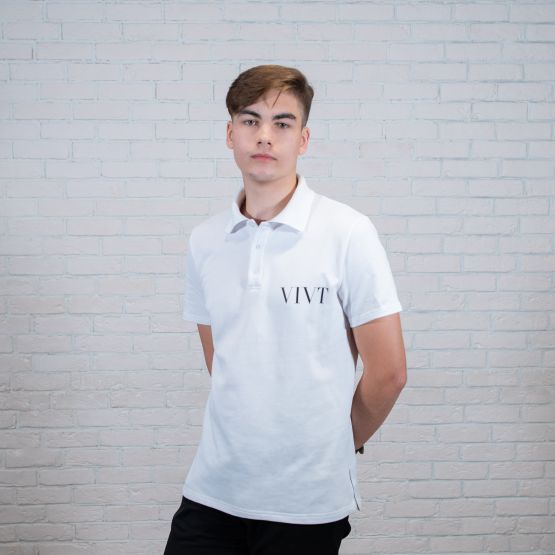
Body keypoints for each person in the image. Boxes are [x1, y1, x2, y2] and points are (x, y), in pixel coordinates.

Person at [164, 64, 407, 555]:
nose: (265, 136)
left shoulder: (347, 232)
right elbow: (222, 362)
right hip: (214, 489)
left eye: (282, 123)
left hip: (306, 503)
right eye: (250, 120)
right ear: (230, 134)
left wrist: (333, 444)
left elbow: (389, 374)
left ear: (304, 139)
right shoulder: (205, 240)